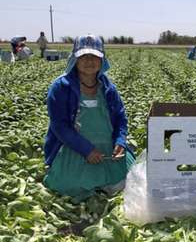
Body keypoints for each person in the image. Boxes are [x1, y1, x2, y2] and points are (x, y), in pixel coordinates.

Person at [43, 34, 135, 202]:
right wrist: (87, 150)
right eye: (84, 56)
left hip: (107, 151)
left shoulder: (108, 88)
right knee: (69, 186)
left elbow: (121, 118)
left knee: (128, 181)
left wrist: (120, 141)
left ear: (102, 60)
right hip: (74, 148)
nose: (89, 61)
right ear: (74, 59)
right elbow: (60, 127)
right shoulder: (60, 88)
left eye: (94, 56)